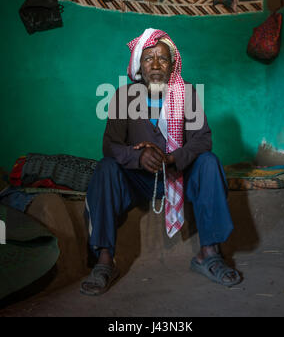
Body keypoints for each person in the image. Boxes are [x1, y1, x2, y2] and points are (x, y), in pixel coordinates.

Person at [80, 28, 241, 296]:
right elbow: (110, 145)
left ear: (172, 64)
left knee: (210, 162)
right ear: (139, 66)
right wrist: (138, 156)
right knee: (106, 167)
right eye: (148, 58)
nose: (155, 64)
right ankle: (105, 260)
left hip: (180, 175)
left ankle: (209, 254)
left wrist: (172, 157)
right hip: (139, 180)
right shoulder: (124, 96)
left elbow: (202, 140)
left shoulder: (186, 93)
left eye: (163, 59)